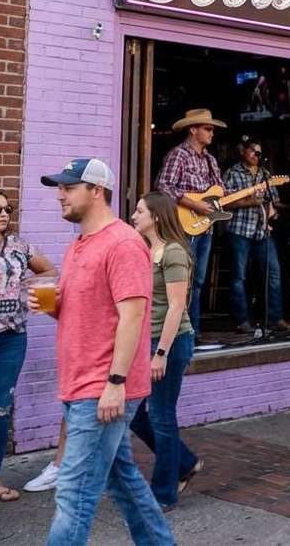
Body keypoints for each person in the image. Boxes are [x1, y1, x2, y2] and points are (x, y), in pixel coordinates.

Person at [36, 158, 174, 545]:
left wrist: (115, 382)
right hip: (80, 382)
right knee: (122, 479)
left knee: (73, 493)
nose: (60, 195)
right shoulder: (79, 244)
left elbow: (133, 317)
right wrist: (50, 306)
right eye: (59, 188)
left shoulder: (124, 243)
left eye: (68, 187)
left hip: (101, 387)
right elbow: (85, 313)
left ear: (96, 191)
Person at [0, 188, 54, 503]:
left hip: (11, 337)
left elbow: (49, 271)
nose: (4, 214)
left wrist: (30, 287)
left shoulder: (19, 246)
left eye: (7, 208)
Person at [128, 191, 202, 508]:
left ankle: (163, 493)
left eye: (139, 211)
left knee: (160, 415)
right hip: (145, 340)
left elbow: (176, 307)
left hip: (169, 342)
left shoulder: (173, 252)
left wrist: (161, 353)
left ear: (156, 216)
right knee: (135, 415)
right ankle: (184, 462)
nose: (133, 215)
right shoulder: (146, 250)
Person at [155, 107, 226, 333]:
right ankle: (180, 332)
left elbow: (221, 191)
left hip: (206, 226)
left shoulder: (211, 160)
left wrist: (247, 195)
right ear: (193, 130)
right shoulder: (179, 155)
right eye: (207, 129)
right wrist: (194, 204)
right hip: (184, 225)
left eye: (212, 129)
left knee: (197, 281)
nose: (211, 133)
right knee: (182, 279)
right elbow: (163, 185)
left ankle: (191, 331)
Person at [221, 139, 288, 334]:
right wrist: (250, 201)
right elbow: (224, 203)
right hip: (239, 229)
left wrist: (273, 209)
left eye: (259, 152)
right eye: (253, 151)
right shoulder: (232, 173)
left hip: (262, 230)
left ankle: (275, 318)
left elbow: (274, 199)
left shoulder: (265, 174)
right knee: (239, 277)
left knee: (273, 273)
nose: (256, 154)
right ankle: (241, 320)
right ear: (243, 151)